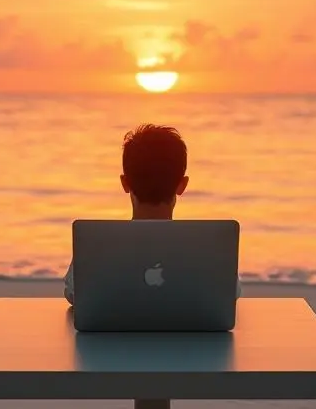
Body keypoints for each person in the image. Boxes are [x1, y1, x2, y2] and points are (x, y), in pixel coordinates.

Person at [64, 123, 241, 303]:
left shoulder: (97, 244)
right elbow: (231, 292)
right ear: (183, 185)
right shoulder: (208, 247)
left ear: (124, 183)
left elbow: (73, 293)